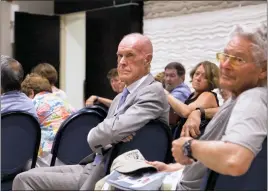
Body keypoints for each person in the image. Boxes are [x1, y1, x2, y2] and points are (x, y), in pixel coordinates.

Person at [12, 33, 169, 190]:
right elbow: (111, 132)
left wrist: (106, 133)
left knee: (24, 180)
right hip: (94, 164)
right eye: (119, 56)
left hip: (113, 172)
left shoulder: (152, 91)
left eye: (130, 55)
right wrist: (112, 133)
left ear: (147, 60)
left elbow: (108, 132)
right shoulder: (120, 97)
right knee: (24, 177)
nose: (122, 62)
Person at [148, 23, 267, 190]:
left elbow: (234, 159)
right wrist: (172, 168)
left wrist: (189, 146)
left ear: (263, 69)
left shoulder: (253, 97)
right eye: (225, 56)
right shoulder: (237, 98)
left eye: (238, 59)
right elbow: (211, 163)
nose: (225, 65)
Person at [21, 73, 76, 167]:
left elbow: (22, 132)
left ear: (31, 93)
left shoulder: (33, 104)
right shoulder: (65, 103)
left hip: (48, 159)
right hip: (73, 155)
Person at [167, 61, 220, 138]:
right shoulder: (192, 95)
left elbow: (186, 111)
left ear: (211, 81)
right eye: (197, 74)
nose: (198, 78)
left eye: (205, 77)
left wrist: (165, 94)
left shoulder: (208, 95)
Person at [164, 62, 191, 127]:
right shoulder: (172, 89)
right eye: (166, 75)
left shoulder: (182, 92)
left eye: (172, 76)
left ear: (182, 77)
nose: (168, 79)